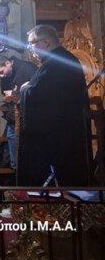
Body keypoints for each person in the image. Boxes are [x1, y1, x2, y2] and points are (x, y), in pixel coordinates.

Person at [18, 25, 92, 186]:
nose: (29, 47)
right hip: (65, 131)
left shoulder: (55, 64)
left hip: (58, 135)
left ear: (45, 42)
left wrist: (25, 89)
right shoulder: (58, 60)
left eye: (32, 43)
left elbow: (44, 97)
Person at [0, 55, 38, 170]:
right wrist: (8, 97)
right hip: (13, 115)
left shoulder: (27, 69)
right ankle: (16, 169)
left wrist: (15, 94)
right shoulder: (7, 75)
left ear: (8, 63)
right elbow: (5, 92)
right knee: (11, 141)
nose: (1, 76)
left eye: (2, 72)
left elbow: (37, 91)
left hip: (28, 117)